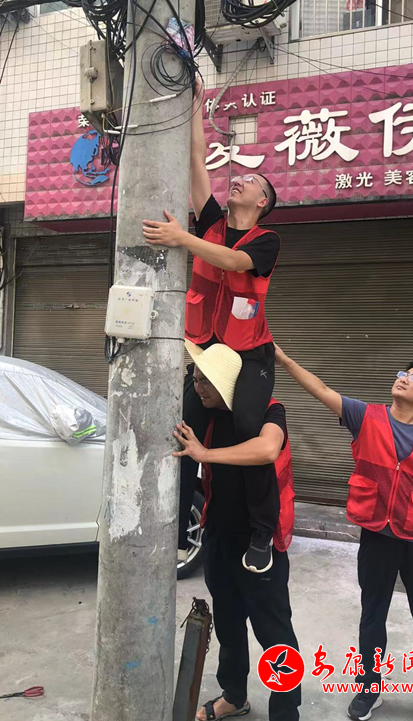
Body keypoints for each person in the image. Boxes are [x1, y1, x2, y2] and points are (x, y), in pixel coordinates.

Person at [274, 346, 413, 721]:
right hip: (377, 536)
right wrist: (283, 359)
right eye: (402, 373)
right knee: (372, 616)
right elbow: (320, 389)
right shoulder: (365, 416)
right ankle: (369, 688)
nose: (403, 378)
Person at [143, 77, 281, 573]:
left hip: (250, 356)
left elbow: (233, 261)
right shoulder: (210, 223)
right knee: (180, 433)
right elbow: (197, 160)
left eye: (251, 181)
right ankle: (179, 532)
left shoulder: (265, 239)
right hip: (207, 354)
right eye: (239, 176)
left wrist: (181, 238)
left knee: (247, 428)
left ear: (262, 202)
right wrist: (195, 104)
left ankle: (262, 533)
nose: (239, 179)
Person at [173, 340, 300, 721]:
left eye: (205, 381)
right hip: (219, 536)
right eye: (194, 379)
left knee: (275, 635)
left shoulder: (269, 410)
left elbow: (267, 449)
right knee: (228, 624)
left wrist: (206, 455)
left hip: (261, 543)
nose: (198, 387)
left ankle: (287, 720)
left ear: (226, 381)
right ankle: (234, 695)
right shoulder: (204, 416)